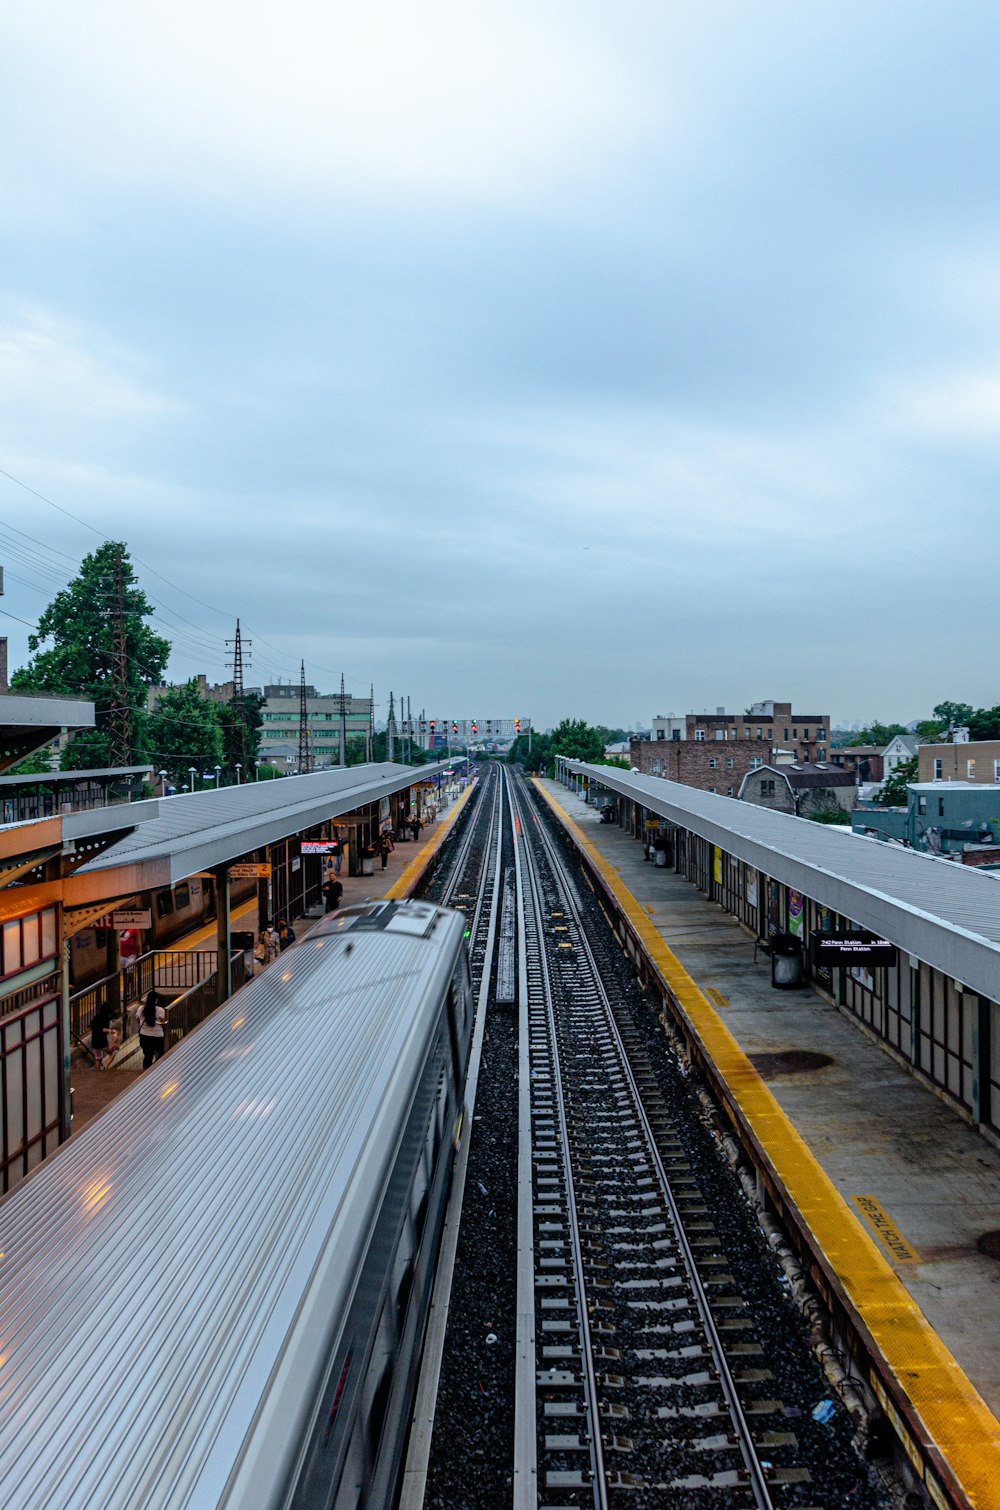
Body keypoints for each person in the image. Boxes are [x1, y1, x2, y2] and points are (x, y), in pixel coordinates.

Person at [137, 991, 166, 1070]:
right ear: (156, 1000)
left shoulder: (141, 1009)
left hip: (144, 1036)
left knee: (148, 1056)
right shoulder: (160, 1010)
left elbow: (138, 1019)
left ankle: (145, 1074)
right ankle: (158, 1072)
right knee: (160, 1055)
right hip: (157, 1036)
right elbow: (162, 1022)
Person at [91, 1003, 117, 1070]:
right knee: (114, 1050)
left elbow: (92, 1026)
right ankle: (106, 1065)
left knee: (98, 1058)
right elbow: (104, 1029)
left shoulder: (95, 1018)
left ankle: (97, 1073)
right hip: (102, 1041)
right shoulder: (106, 1018)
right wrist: (111, 1031)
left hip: (94, 1041)